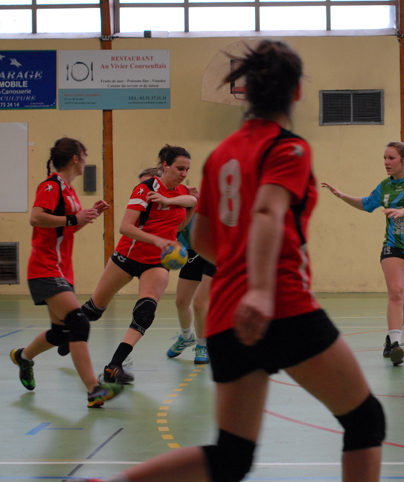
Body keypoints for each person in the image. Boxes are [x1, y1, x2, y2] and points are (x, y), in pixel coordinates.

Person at [70, 40, 384, 482]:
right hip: (282, 306)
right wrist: (260, 288)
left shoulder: (220, 156)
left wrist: (237, 267)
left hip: (225, 317)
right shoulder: (289, 149)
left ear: (245, 93)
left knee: (232, 456)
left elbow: (202, 238)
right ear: (296, 93)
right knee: (366, 420)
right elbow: (267, 211)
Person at [10, 137, 122, 408]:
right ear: (75, 158)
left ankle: (23, 357)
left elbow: (64, 227)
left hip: (61, 269)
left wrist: (89, 214)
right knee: (79, 323)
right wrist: (74, 217)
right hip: (44, 267)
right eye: (84, 154)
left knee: (60, 334)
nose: (86, 159)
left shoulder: (69, 190)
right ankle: (94, 389)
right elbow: (36, 217)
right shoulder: (51, 185)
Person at [80, 145, 197, 384]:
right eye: (179, 168)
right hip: (128, 256)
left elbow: (178, 226)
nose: (184, 174)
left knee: (145, 312)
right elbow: (125, 227)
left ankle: (114, 365)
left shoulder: (182, 192)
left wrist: (190, 210)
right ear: (165, 165)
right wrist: (156, 239)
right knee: (93, 311)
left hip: (156, 262)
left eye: (187, 169)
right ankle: (63, 333)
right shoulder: (146, 188)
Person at [322, 141, 404, 367]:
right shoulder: (385, 186)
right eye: (384, 158)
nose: (386, 162)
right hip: (394, 246)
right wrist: (342, 195)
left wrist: (403, 211)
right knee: (396, 292)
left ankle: (391, 338)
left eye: (391, 158)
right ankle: (396, 345)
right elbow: (367, 204)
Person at [166, 214, 215, 364]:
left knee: (199, 303)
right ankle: (186, 337)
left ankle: (202, 345)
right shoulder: (180, 205)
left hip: (214, 252)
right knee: (181, 302)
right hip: (191, 251)